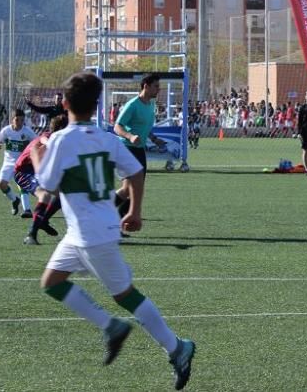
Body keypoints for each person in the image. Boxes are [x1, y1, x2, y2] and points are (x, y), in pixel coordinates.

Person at [30, 71, 195, 388]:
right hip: (82, 232)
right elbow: (134, 172)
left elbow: (46, 186)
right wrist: (134, 210)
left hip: (92, 237)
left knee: (126, 296)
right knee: (51, 281)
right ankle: (112, 327)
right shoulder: (105, 138)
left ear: (64, 104)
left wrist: (38, 155)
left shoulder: (62, 141)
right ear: (96, 107)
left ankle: (178, 348)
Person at [113, 74, 169, 219]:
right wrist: (130, 136)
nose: (159, 89)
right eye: (156, 86)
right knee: (129, 190)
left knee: (134, 190)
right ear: (146, 86)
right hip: (126, 148)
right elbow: (117, 127)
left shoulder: (150, 104)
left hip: (139, 150)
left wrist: (155, 139)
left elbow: (144, 126)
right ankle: (106, 215)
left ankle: (116, 219)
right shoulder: (132, 105)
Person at [16, 115, 68, 245]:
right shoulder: (48, 137)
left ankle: (43, 220)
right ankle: (31, 235)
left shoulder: (58, 141)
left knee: (62, 194)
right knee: (44, 195)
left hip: (35, 171)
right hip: (23, 171)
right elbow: (44, 140)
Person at [0, 108, 38, 216]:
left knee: (22, 185)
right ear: (12, 119)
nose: (20, 123)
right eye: (17, 120)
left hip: (21, 164)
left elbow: (37, 141)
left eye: (22, 120)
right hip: (8, 163)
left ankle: (27, 210)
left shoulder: (27, 131)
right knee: (1, 184)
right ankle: (14, 200)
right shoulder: (6, 130)